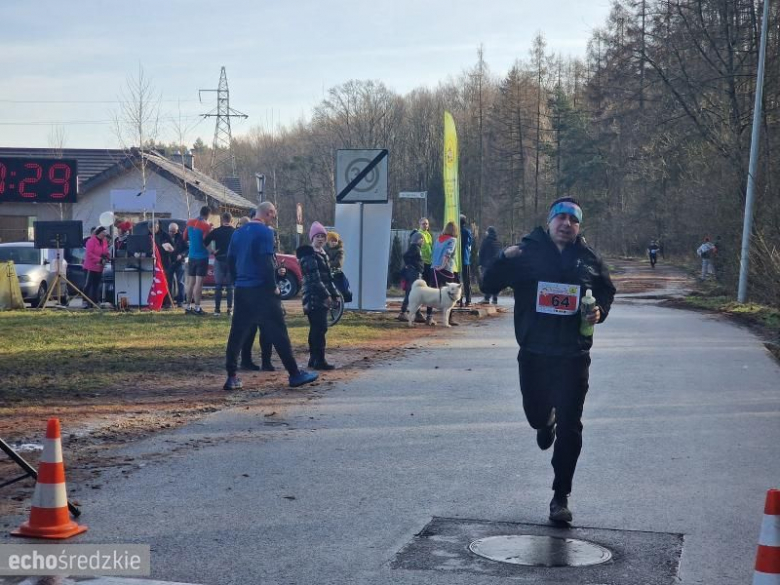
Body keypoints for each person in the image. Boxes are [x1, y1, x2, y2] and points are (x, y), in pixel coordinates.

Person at [482, 197, 616, 523]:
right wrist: (502, 258)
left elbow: (606, 292)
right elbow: (488, 283)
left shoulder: (589, 259)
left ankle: (561, 496)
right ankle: (545, 422)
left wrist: (599, 311)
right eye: (561, 217)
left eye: (573, 220)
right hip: (534, 353)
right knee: (535, 415)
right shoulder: (526, 252)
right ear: (549, 221)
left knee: (572, 426)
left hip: (574, 354)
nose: (566, 224)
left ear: (579, 226)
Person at [224, 202, 317, 391]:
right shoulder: (266, 232)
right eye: (273, 214)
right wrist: (273, 286)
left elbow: (230, 260)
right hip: (262, 289)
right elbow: (266, 261)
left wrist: (237, 281)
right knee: (278, 331)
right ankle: (294, 374)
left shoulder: (238, 233)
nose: (274, 218)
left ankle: (231, 376)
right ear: (268, 213)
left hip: (242, 289)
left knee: (237, 332)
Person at [297, 221, 340, 370]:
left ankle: (314, 359)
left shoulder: (323, 253)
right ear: (312, 238)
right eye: (317, 236)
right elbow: (314, 279)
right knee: (319, 329)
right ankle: (319, 360)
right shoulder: (309, 255)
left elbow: (328, 278)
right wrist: (327, 296)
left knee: (318, 329)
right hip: (313, 297)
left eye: (323, 236)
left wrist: (334, 294)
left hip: (321, 296)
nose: (320, 239)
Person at [204, 212, 236, 316]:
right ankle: (230, 309)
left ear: (222, 220)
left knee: (218, 286)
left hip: (219, 259)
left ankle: (217, 310)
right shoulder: (235, 232)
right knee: (230, 286)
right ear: (231, 220)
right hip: (231, 260)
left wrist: (213, 250)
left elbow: (205, 242)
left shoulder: (216, 231)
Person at [429, 221, 460, 326]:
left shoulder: (438, 239)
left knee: (432, 293)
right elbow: (447, 254)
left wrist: (435, 265)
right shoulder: (452, 240)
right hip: (445, 269)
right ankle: (449, 318)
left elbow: (433, 252)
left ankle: (429, 317)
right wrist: (442, 266)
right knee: (451, 294)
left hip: (434, 268)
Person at [183, 206, 212, 315]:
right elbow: (206, 241)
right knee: (199, 284)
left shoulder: (190, 222)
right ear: (208, 214)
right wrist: (211, 250)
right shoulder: (206, 226)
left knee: (191, 283)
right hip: (202, 257)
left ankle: (188, 307)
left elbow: (184, 237)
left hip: (191, 256)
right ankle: (197, 308)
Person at [397, 232, 425, 321]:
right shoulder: (415, 248)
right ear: (418, 239)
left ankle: (417, 313)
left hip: (415, 272)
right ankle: (404, 312)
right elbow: (405, 256)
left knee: (414, 293)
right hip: (414, 273)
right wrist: (410, 265)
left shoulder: (416, 248)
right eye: (422, 239)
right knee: (411, 292)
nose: (423, 241)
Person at [82, 226, 110, 307]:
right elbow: (89, 254)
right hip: (90, 267)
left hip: (99, 267)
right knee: (88, 285)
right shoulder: (91, 241)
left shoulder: (104, 241)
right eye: (103, 232)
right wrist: (100, 259)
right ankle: (85, 302)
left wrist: (107, 257)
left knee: (96, 285)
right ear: (99, 233)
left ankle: (95, 301)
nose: (105, 234)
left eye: (105, 232)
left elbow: (106, 251)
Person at [478, 226, 502, 304]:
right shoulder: (498, 242)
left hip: (486, 265)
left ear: (488, 232)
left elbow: (481, 252)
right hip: (496, 265)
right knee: (495, 282)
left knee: (487, 282)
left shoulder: (486, 241)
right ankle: (495, 298)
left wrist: (480, 263)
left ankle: (486, 298)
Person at [167, 223, 187, 308]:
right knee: (169, 282)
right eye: (170, 231)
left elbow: (187, 249)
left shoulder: (182, 237)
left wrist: (182, 255)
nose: (172, 233)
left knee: (180, 282)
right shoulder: (166, 237)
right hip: (170, 262)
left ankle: (181, 301)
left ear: (177, 230)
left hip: (180, 262)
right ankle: (169, 301)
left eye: (173, 231)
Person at [459, 214, 473, 307]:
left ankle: (458, 299)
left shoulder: (455, 232)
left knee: (457, 280)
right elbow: (470, 243)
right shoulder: (467, 232)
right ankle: (468, 300)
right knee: (466, 280)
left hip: (457, 259)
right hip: (465, 259)